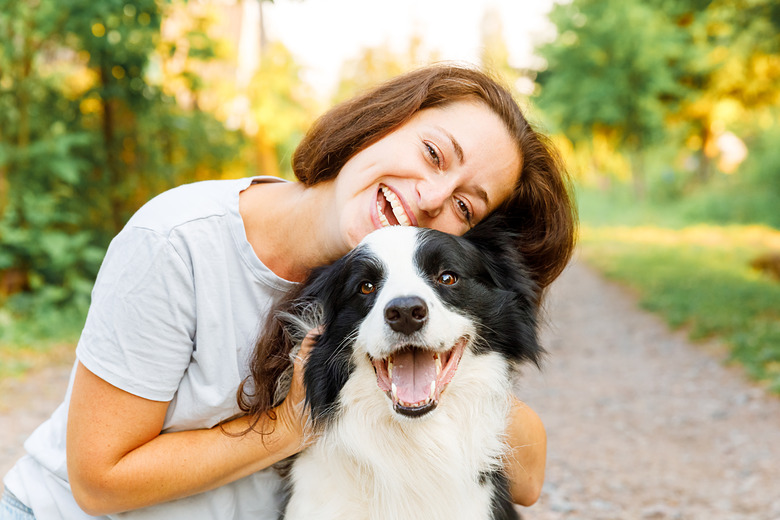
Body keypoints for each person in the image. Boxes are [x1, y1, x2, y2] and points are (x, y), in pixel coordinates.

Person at [1, 63, 576, 519]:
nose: (431, 194)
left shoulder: (387, 296)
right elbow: (98, 481)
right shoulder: (176, 241)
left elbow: (526, 479)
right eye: (432, 153)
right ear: (384, 119)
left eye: (463, 204)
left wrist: (463, 368)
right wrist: (298, 420)